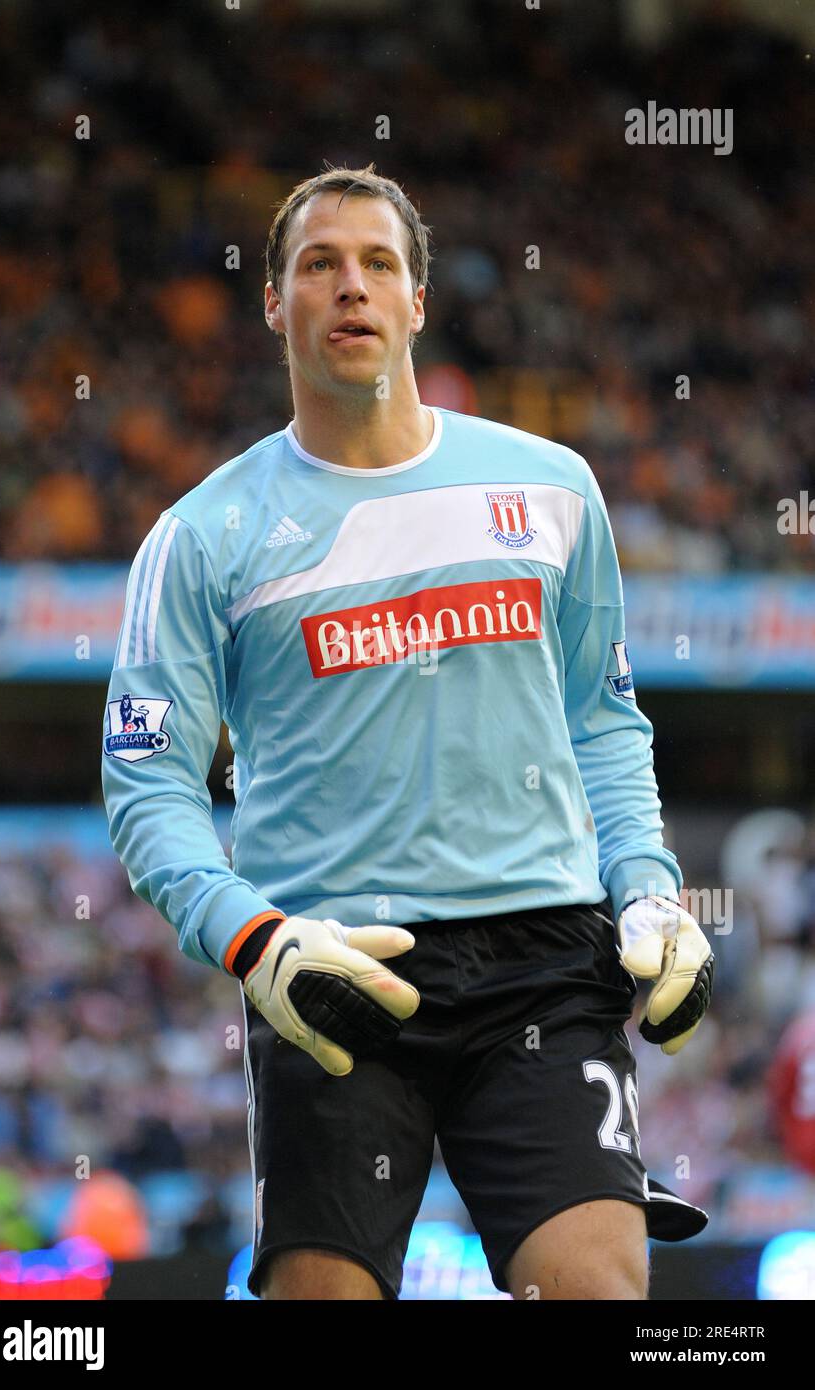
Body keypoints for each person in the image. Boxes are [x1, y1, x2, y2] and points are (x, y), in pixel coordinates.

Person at [102, 163, 714, 1301]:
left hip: (542, 957)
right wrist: (252, 938)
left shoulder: (553, 491)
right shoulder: (202, 537)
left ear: (416, 301)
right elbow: (147, 784)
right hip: (335, 967)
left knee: (594, 1291)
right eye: (318, 265)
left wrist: (647, 889)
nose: (351, 287)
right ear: (274, 303)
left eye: (379, 263)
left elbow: (603, 721)